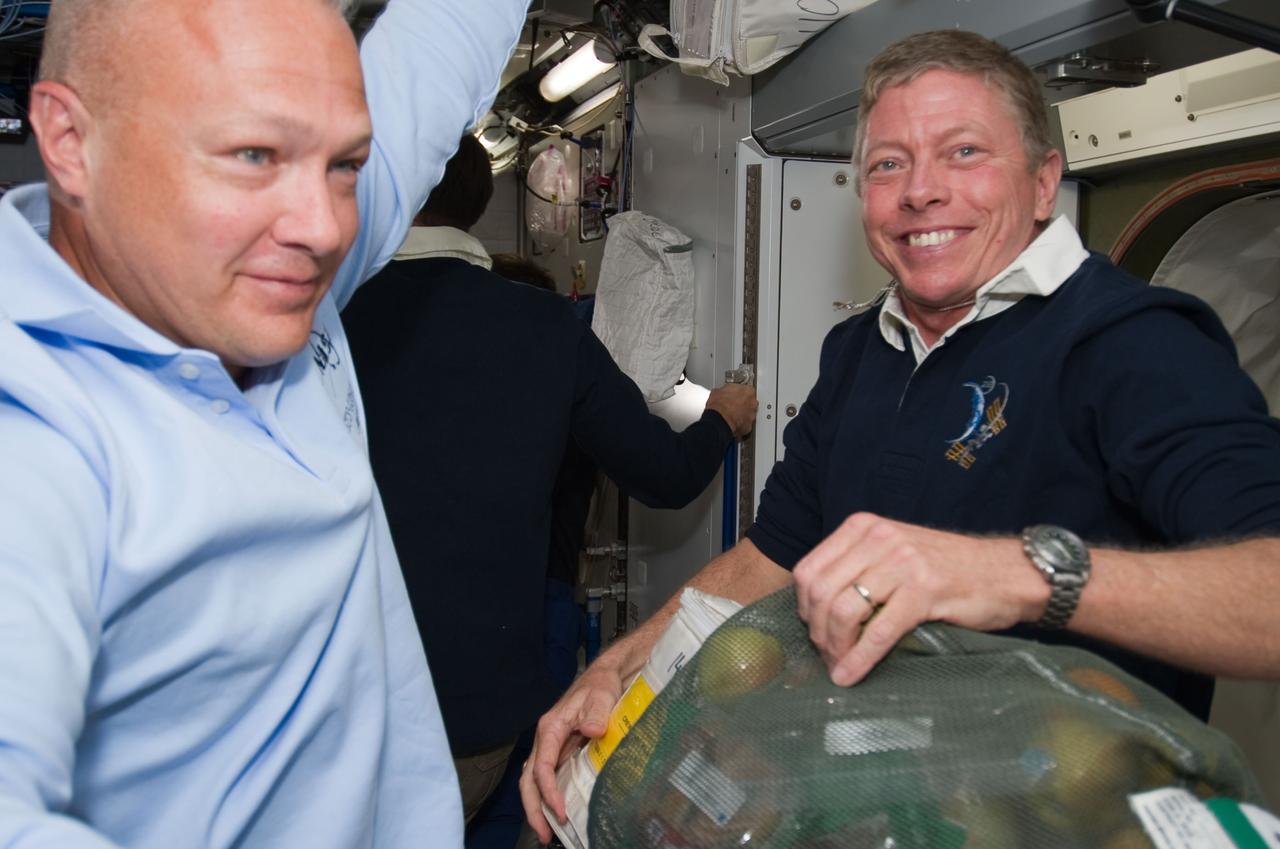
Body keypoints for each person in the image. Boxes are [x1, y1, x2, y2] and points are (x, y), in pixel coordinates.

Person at [520, 28, 1280, 843]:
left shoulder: (1133, 341)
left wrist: (1018, 573)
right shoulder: (858, 351)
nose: (920, 191)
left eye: (963, 152)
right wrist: (616, 666)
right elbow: (768, 558)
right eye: (888, 163)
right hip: (888, 808)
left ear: (1043, 183)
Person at [0, 0, 526, 846]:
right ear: (68, 140)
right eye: (253, 155)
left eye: (346, 164)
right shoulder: (32, 428)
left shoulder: (245, 268)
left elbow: (444, 36)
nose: (322, 230)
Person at [340, 135, 757, 840]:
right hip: (483, 710)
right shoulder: (544, 327)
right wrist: (720, 418)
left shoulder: (320, 318)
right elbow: (664, 473)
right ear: (476, 203)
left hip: (341, 705)